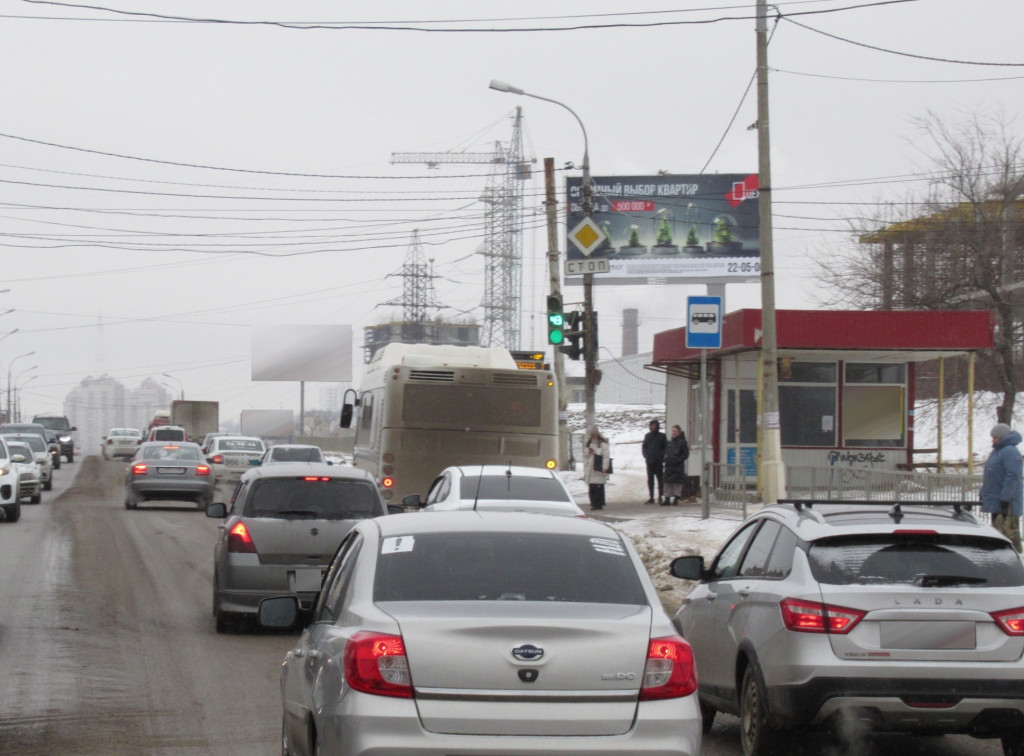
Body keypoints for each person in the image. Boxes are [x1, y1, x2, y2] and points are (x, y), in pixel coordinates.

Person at [980, 422, 1023, 552]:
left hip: (1006, 503)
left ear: (1003, 437)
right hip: (997, 501)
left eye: (995, 437)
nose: (993, 440)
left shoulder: (1010, 452)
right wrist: (983, 493)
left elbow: (1013, 476)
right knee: (998, 534)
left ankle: (1012, 560)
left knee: (1007, 535)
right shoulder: (997, 452)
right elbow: (990, 475)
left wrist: (1005, 498)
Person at [584, 425, 611, 511]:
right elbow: (586, 455)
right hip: (591, 469)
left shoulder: (603, 445)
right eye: (593, 436)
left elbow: (606, 457)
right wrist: (589, 451)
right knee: (592, 487)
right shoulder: (589, 444)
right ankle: (594, 503)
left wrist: (604, 467)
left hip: (599, 469)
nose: (594, 437)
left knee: (598, 487)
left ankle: (599, 504)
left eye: (595, 435)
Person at [661, 424, 690, 506]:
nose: (674, 433)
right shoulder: (670, 442)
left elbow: (686, 454)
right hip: (669, 465)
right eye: (673, 431)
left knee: (677, 483)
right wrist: (665, 458)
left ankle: (676, 499)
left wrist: (678, 460)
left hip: (678, 466)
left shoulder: (682, 442)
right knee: (667, 482)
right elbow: (666, 451)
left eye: (675, 431)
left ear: (679, 432)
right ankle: (667, 498)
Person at [641, 419, 667, 504]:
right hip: (649, 461)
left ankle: (660, 496)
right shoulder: (647, 436)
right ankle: (651, 497)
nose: (653, 427)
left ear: (657, 426)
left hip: (658, 461)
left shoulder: (662, 436)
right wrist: (646, 455)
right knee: (650, 479)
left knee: (660, 479)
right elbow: (644, 447)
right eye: (651, 425)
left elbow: (665, 448)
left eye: (654, 425)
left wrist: (661, 456)